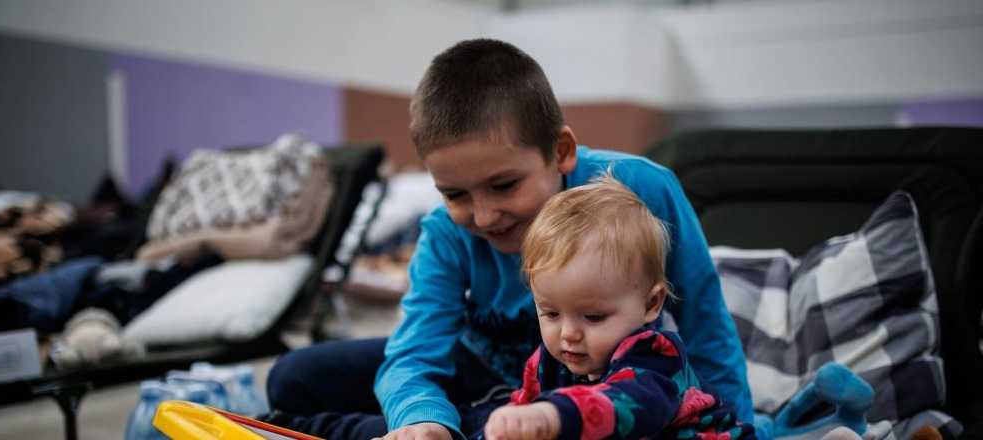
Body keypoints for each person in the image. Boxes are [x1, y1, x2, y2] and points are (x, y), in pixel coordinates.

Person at [264, 38, 753, 440]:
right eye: (455, 193)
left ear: (560, 152)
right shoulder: (447, 234)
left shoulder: (641, 189)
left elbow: (704, 321)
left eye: (504, 185)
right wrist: (420, 418)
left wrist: (739, 425)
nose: (483, 214)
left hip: (599, 381)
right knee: (292, 377)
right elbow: (414, 353)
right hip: (492, 375)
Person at [478, 174, 754, 440]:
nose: (568, 334)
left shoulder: (656, 358)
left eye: (593, 317)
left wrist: (552, 416)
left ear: (651, 304)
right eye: (551, 313)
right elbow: (521, 412)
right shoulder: (548, 363)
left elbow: (628, 405)